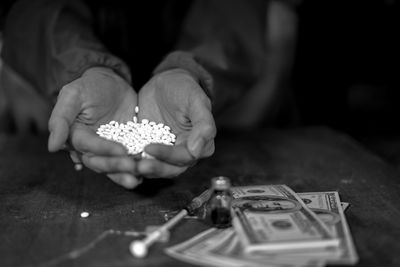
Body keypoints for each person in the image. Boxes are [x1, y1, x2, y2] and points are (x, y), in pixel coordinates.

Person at [1, 0, 299, 189]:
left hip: (223, 59)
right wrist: (81, 67)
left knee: (277, 21)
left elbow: (236, 10)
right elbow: (31, 8)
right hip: (64, 56)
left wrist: (191, 70)